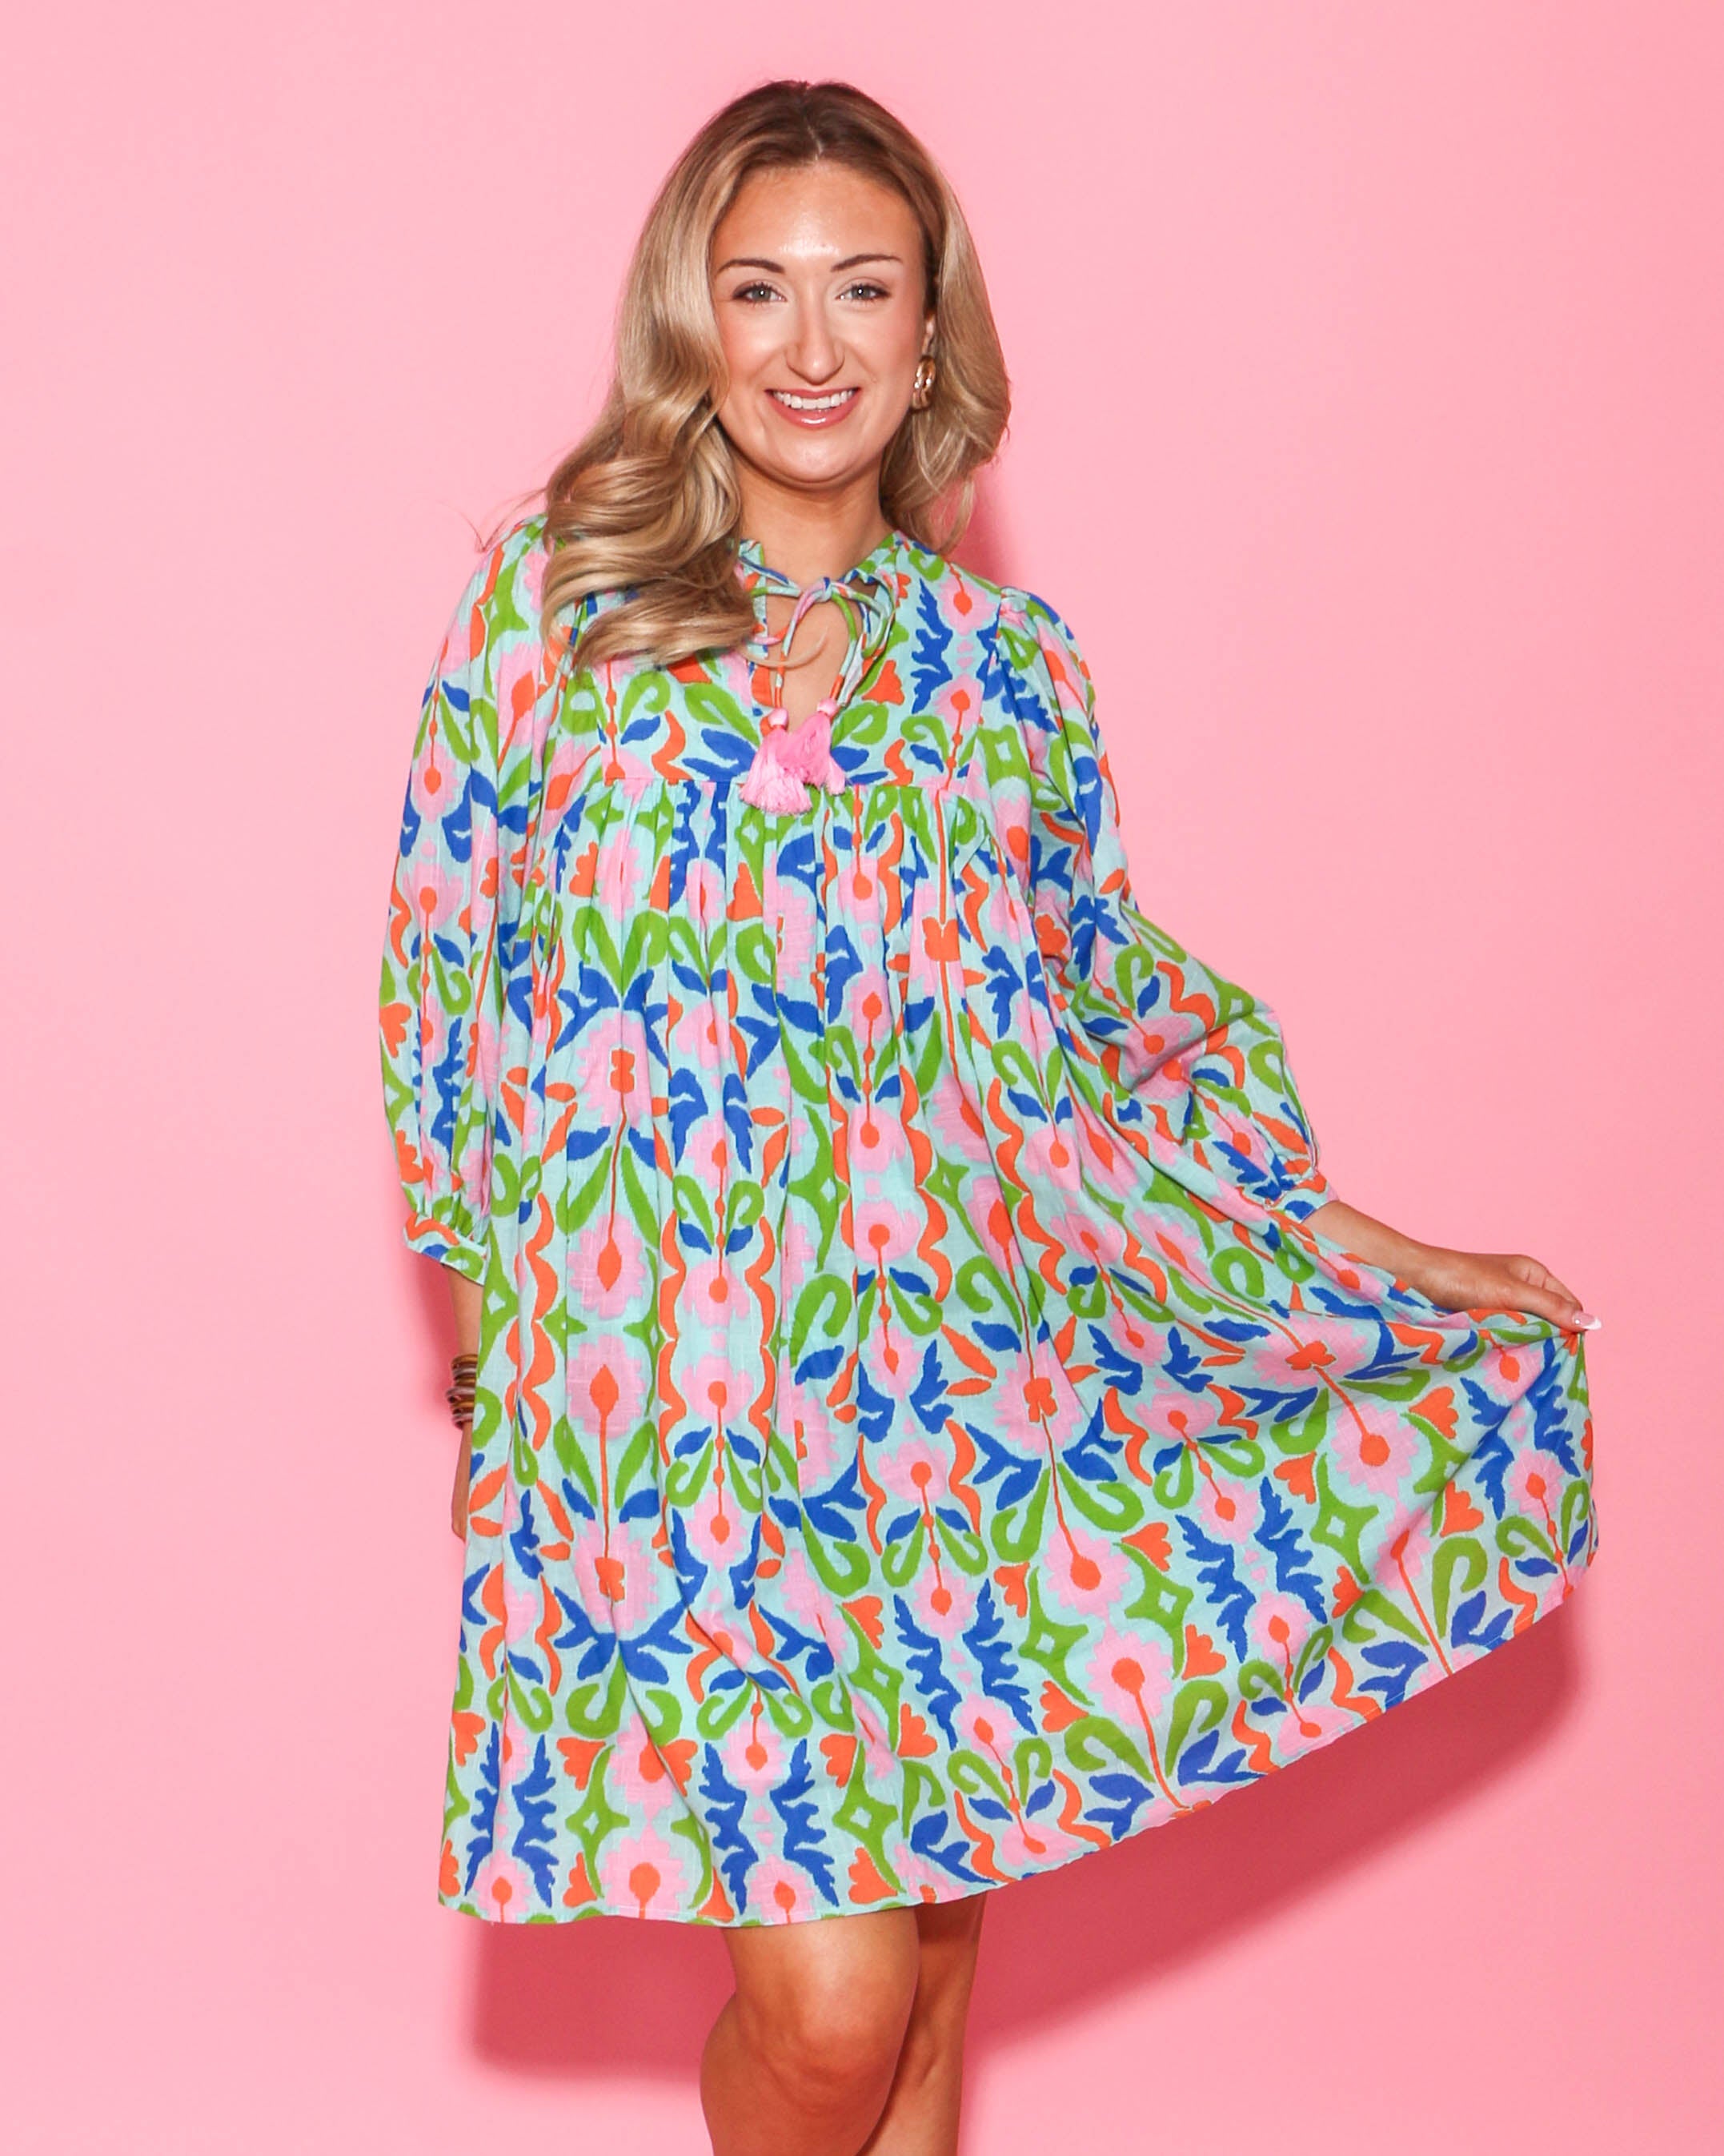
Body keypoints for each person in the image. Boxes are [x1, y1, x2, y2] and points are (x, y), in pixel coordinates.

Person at [379, 77, 1600, 2156]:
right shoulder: (557, 606)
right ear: (691, 321)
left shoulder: (1006, 670)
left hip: (950, 1387)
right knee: (832, 2012)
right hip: (663, 1406)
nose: (813, 342)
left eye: (864, 288)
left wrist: (1350, 1242)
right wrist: (500, 1344)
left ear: (933, 328)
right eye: (759, 289)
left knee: (929, 1998)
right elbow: (442, 971)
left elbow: (1101, 1014)